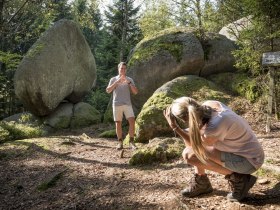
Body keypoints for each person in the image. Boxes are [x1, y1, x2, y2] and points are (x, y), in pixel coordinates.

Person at [163, 97, 264, 202]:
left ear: (183, 119)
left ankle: (240, 179)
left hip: (249, 162)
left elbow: (193, 146)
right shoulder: (210, 104)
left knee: (189, 155)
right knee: (191, 146)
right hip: (252, 153)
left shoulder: (213, 128)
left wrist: (175, 127)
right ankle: (201, 181)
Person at [106, 62, 138, 150]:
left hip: (127, 104)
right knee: (118, 123)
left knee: (132, 121)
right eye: (121, 69)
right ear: (118, 69)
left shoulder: (129, 79)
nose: (123, 70)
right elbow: (108, 90)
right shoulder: (113, 79)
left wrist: (129, 83)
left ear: (126, 70)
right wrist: (116, 82)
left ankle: (131, 142)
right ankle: (120, 143)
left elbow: (135, 92)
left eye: (124, 68)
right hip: (116, 104)